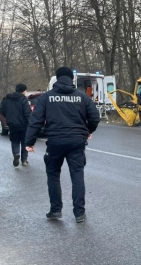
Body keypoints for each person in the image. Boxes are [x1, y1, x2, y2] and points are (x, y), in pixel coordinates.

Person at [25, 67, 100, 223]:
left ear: (57, 79)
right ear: (71, 79)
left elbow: (36, 120)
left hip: (55, 142)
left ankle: (55, 210)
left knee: (53, 175)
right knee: (77, 175)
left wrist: (30, 142)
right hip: (77, 142)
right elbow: (94, 117)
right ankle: (79, 213)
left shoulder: (47, 97)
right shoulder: (82, 97)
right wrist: (88, 130)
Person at [1, 84, 32, 167]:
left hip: (12, 124)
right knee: (24, 141)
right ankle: (24, 160)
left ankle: (16, 154)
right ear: (23, 91)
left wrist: (7, 116)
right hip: (23, 124)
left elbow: (2, 109)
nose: (26, 92)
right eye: (26, 90)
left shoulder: (7, 99)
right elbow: (27, 113)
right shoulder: (23, 100)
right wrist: (31, 124)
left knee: (14, 140)